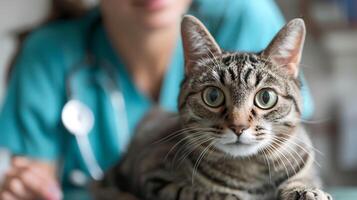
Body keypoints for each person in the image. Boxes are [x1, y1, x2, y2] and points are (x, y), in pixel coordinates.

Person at [0, 0, 314, 199]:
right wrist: (29, 187)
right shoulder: (49, 52)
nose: (238, 120)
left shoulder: (244, 13)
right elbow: (36, 179)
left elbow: (288, 137)